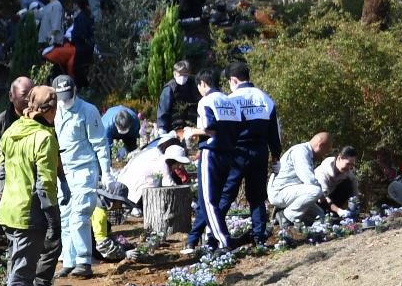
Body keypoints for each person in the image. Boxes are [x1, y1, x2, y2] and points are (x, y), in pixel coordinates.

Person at [0, 84, 64, 286]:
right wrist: (52, 218)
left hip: (9, 211)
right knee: (23, 272)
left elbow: (1, 170)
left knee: (17, 266)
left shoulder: (12, 130)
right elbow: (45, 184)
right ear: (52, 109)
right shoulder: (44, 138)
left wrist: (6, 195)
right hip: (28, 214)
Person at [51, 76, 109, 279]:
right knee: (66, 218)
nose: (65, 101)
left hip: (85, 169)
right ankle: (69, 261)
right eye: (61, 97)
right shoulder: (54, 110)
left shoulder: (88, 111)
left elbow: (101, 144)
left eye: (68, 96)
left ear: (75, 91)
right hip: (63, 172)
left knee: (79, 216)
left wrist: (106, 173)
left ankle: (84, 261)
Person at [224, 60, 284, 243]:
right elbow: (274, 132)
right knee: (257, 197)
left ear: (233, 80)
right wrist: (276, 155)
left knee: (227, 193)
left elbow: (225, 130)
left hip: (237, 151)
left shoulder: (230, 100)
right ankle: (259, 237)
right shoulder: (265, 98)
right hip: (260, 151)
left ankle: (216, 234)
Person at [188, 71, 238, 253]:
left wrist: (192, 131)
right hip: (229, 152)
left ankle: (223, 241)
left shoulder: (206, 102)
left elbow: (210, 128)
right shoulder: (229, 100)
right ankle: (213, 240)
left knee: (208, 200)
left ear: (203, 83)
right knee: (216, 199)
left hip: (211, 153)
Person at [272, 144, 357, 223]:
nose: (349, 168)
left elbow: (354, 191)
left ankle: (333, 214)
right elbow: (323, 198)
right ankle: (283, 212)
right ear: (339, 158)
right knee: (320, 214)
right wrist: (339, 210)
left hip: (330, 197)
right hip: (317, 199)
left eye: (352, 165)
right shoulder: (322, 173)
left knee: (348, 185)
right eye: (348, 164)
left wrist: (354, 205)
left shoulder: (348, 172)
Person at [117, 140, 195, 205]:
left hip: (127, 189)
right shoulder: (162, 165)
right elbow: (171, 187)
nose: (179, 167)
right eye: (178, 164)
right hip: (134, 196)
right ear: (173, 160)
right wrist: (188, 201)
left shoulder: (158, 157)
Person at [155, 61, 201, 136]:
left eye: (185, 74)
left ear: (189, 73)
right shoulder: (170, 89)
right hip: (174, 130)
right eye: (180, 73)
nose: (183, 76)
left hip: (192, 129)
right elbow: (163, 110)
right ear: (175, 74)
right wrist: (162, 129)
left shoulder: (194, 85)